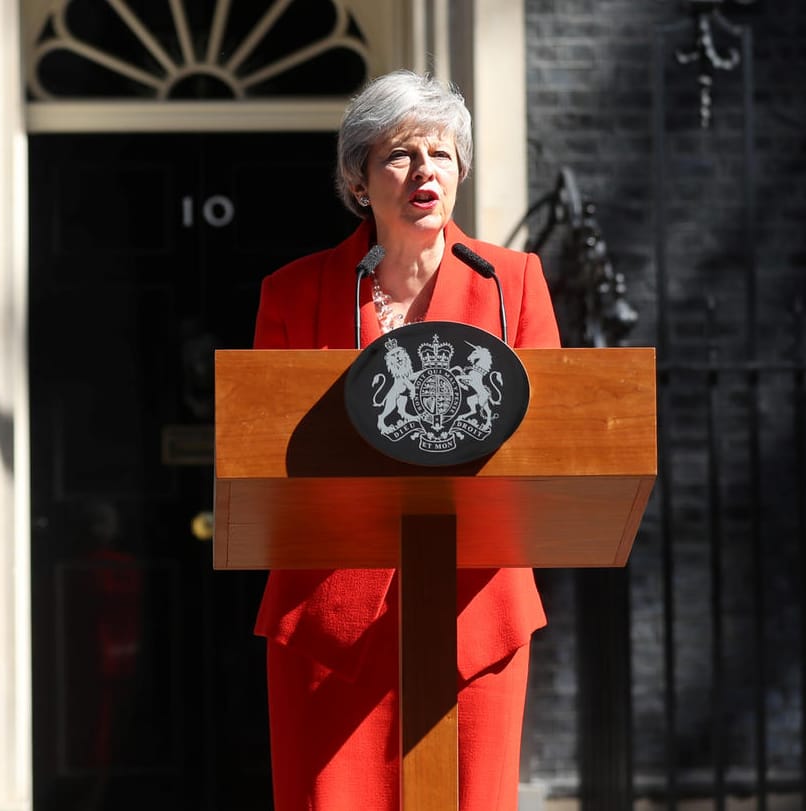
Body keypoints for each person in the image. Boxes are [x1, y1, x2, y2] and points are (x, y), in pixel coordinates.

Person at [251, 69, 561, 811]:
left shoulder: (512, 284)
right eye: (400, 154)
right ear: (359, 179)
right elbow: (261, 452)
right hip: (331, 621)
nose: (426, 170)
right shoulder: (293, 293)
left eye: (443, 154)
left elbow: (554, 445)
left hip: (474, 617)